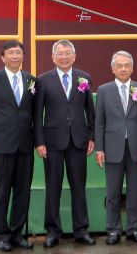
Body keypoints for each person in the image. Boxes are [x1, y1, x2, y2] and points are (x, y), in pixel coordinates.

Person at [34, 40, 96, 247]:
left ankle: (81, 230)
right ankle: (53, 231)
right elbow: (37, 114)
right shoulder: (42, 81)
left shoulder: (84, 78)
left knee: (79, 187)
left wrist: (92, 136)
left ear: (74, 56)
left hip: (78, 141)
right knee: (53, 187)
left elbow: (90, 110)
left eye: (68, 53)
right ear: (53, 57)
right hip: (52, 142)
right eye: (60, 53)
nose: (64, 57)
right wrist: (39, 142)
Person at [0, 40, 37, 251]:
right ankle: (0, 235)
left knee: (22, 192)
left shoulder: (31, 81)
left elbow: (33, 111)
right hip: (1, 145)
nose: (15, 56)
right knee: (0, 192)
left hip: (25, 145)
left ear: (23, 56)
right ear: (2, 57)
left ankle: (16, 234)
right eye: (10, 53)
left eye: (18, 53)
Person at [94, 51, 137, 245]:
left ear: (132, 68)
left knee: (135, 191)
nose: (123, 68)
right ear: (113, 68)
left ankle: (134, 228)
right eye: (119, 65)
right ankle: (113, 230)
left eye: (127, 65)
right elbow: (99, 122)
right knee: (113, 191)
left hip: (136, 147)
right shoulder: (104, 90)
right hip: (112, 148)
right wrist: (99, 149)